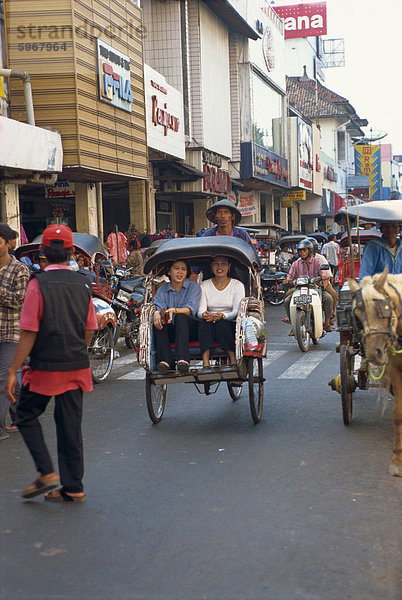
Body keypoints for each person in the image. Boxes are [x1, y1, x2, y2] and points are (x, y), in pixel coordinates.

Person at [5, 224, 97, 502]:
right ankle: (73, 487)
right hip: (76, 364)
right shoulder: (84, 283)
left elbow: (30, 331)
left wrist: (13, 370)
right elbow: (90, 327)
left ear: (43, 251)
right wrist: (79, 350)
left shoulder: (38, 283)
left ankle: (46, 473)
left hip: (46, 366)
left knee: (24, 415)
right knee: (70, 425)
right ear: (70, 252)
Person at [0, 223, 29, 440]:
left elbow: (19, 301)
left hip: (11, 332)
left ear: (8, 243)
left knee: (3, 376)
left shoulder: (19, 269)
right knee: (11, 378)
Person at [153, 259, 201, 373]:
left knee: (181, 316)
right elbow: (159, 308)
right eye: (176, 268)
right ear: (169, 272)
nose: (180, 272)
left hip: (191, 329)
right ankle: (166, 361)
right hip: (172, 329)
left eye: (183, 269)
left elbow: (190, 310)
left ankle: (183, 359)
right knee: (160, 321)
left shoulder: (193, 287)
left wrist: (174, 311)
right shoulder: (162, 290)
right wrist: (156, 314)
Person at [198, 256, 245, 367]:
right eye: (216, 263)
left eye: (223, 263)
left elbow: (237, 311)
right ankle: (206, 362)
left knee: (221, 324)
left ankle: (233, 359)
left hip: (230, 322)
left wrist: (223, 316)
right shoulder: (204, 285)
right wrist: (204, 315)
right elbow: (200, 311)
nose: (219, 267)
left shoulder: (237, 285)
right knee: (203, 324)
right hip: (209, 322)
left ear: (229, 267)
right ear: (211, 266)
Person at [283, 239, 334, 333]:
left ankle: (327, 323)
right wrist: (287, 280)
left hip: (315, 288)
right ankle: (293, 324)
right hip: (299, 288)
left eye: (304, 250)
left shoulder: (317, 262)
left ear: (309, 251)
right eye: (300, 251)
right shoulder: (295, 263)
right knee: (287, 301)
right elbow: (290, 276)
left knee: (329, 298)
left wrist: (323, 276)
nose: (302, 253)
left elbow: (323, 272)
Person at [201, 199, 262, 269]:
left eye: (226, 212)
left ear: (232, 216)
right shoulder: (208, 235)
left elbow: (253, 257)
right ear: (215, 216)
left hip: (238, 273)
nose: (223, 216)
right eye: (219, 212)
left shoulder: (242, 235)